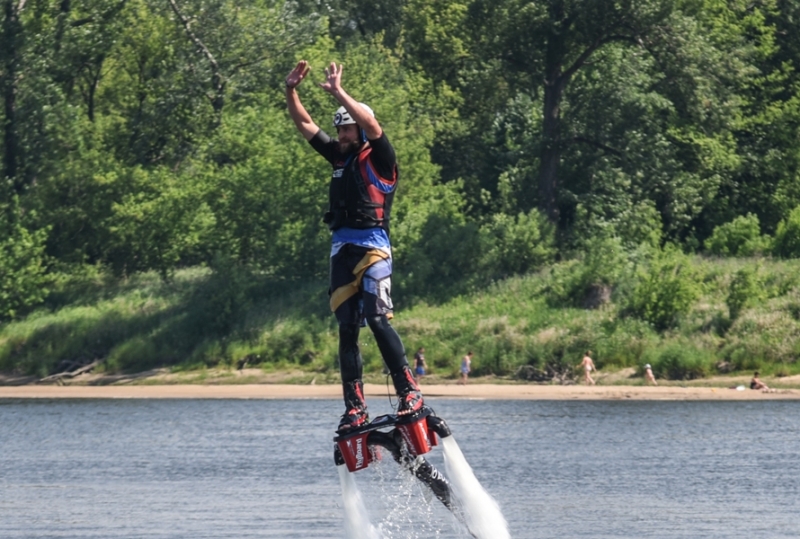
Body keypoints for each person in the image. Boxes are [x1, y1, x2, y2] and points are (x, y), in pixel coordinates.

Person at [284, 60, 424, 432]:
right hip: (341, 250)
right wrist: (290, 91)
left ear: (359, 129)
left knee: (376, 320)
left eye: (347, 128)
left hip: (373, 248)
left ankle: (409, 391)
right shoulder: (338, 156)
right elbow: (305, 124)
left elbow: (374, 127)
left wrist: (339, 92)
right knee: (347, 329)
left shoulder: (381, 158)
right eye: (340, 130)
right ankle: (355, 408)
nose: (341, 135)